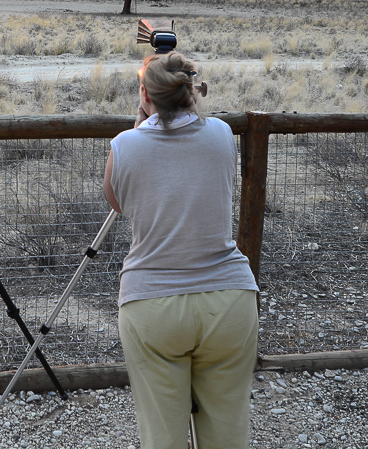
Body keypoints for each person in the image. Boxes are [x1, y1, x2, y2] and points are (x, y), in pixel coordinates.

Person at [103, 51, 259, 449]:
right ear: (191, 89)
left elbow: (119, 202)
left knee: (163, 434)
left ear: (145, 93)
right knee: (228, 430)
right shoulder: (222, 133)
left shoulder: (123, 145)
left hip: (152, 304)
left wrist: (141, 123)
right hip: (229, 299)